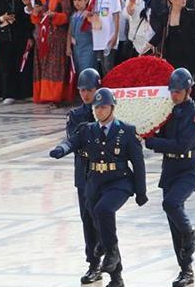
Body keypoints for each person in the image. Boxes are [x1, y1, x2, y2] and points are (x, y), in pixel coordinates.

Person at [49, 87, 148, 287]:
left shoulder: (126, 131)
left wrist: (141, 191)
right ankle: (116, 277)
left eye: (103, 107)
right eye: (96, 107)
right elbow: (72, 142)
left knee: (104, 210)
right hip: (95, 182)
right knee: (100, 224)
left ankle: (109, 251)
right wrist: (61, 149)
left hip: (119, 181)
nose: (99, 111)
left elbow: (138, 163)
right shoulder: (88, 129)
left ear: (112, 108)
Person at [144, 68, 195, 287]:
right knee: (173, 225)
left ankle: (190, 234)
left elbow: (182, 145)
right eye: (172, 91)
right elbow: (158, 133)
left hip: (187, 169)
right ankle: (186, 270)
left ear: (188, 90)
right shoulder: (168, 111)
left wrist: (151, 142)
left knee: (171, 203)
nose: (174, 95)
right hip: (170, 168)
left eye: (178, 91)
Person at [47, 68, 101, 284]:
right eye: (82, 90)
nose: (85, 94)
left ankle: (111, 260)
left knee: (103, 218)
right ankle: (93, 263)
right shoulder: (75, 115)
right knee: (87, 218)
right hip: (84, 173)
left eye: (89, 90)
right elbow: (75, 139)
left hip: (103, 173)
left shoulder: (107, 110)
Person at [31, 0, 72, 105]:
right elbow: (35, 20)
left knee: (55, 68)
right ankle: (44, 95)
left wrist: (55, 16)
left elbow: (67, 16)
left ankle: (55, 96)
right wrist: (35, 13)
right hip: (43, 38)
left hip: (58, 38)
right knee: (44, 67)